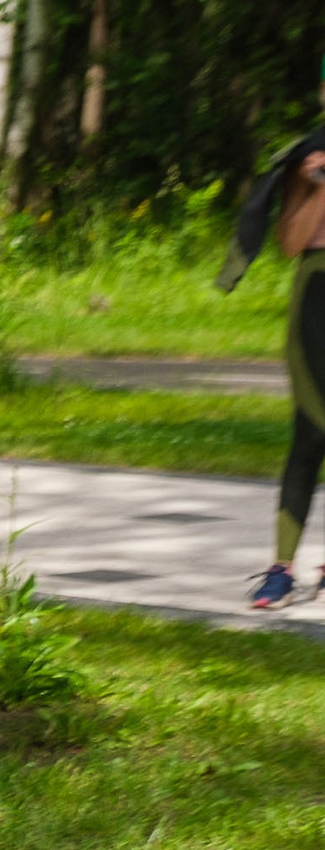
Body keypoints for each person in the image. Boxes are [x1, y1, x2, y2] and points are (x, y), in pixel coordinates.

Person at [232, 69, 325, 608]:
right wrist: (314, 186)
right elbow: (289, 244)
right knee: (312, 431)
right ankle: (282, 569)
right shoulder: (307, 154)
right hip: (315, 298)